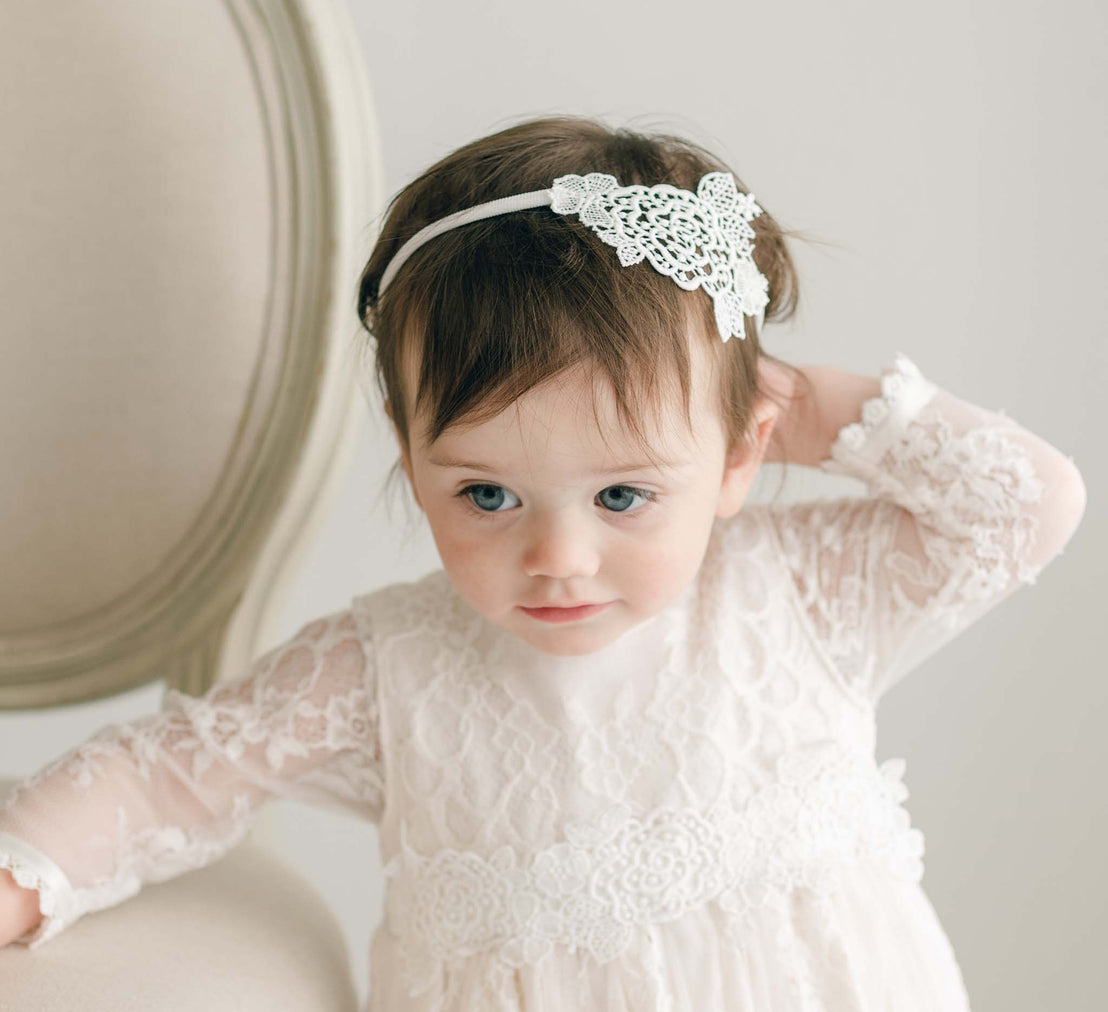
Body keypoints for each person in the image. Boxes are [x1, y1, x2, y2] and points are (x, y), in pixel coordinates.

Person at [0, 115, 1087, 1010]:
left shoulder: (795, 595)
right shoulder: (388, 667)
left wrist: (784, 406)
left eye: (623, 494)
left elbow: (1024, 506)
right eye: (484, 494)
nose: (557, 558)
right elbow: (171, 771)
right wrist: (23, 873)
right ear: (409, 447)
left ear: (741, 451)